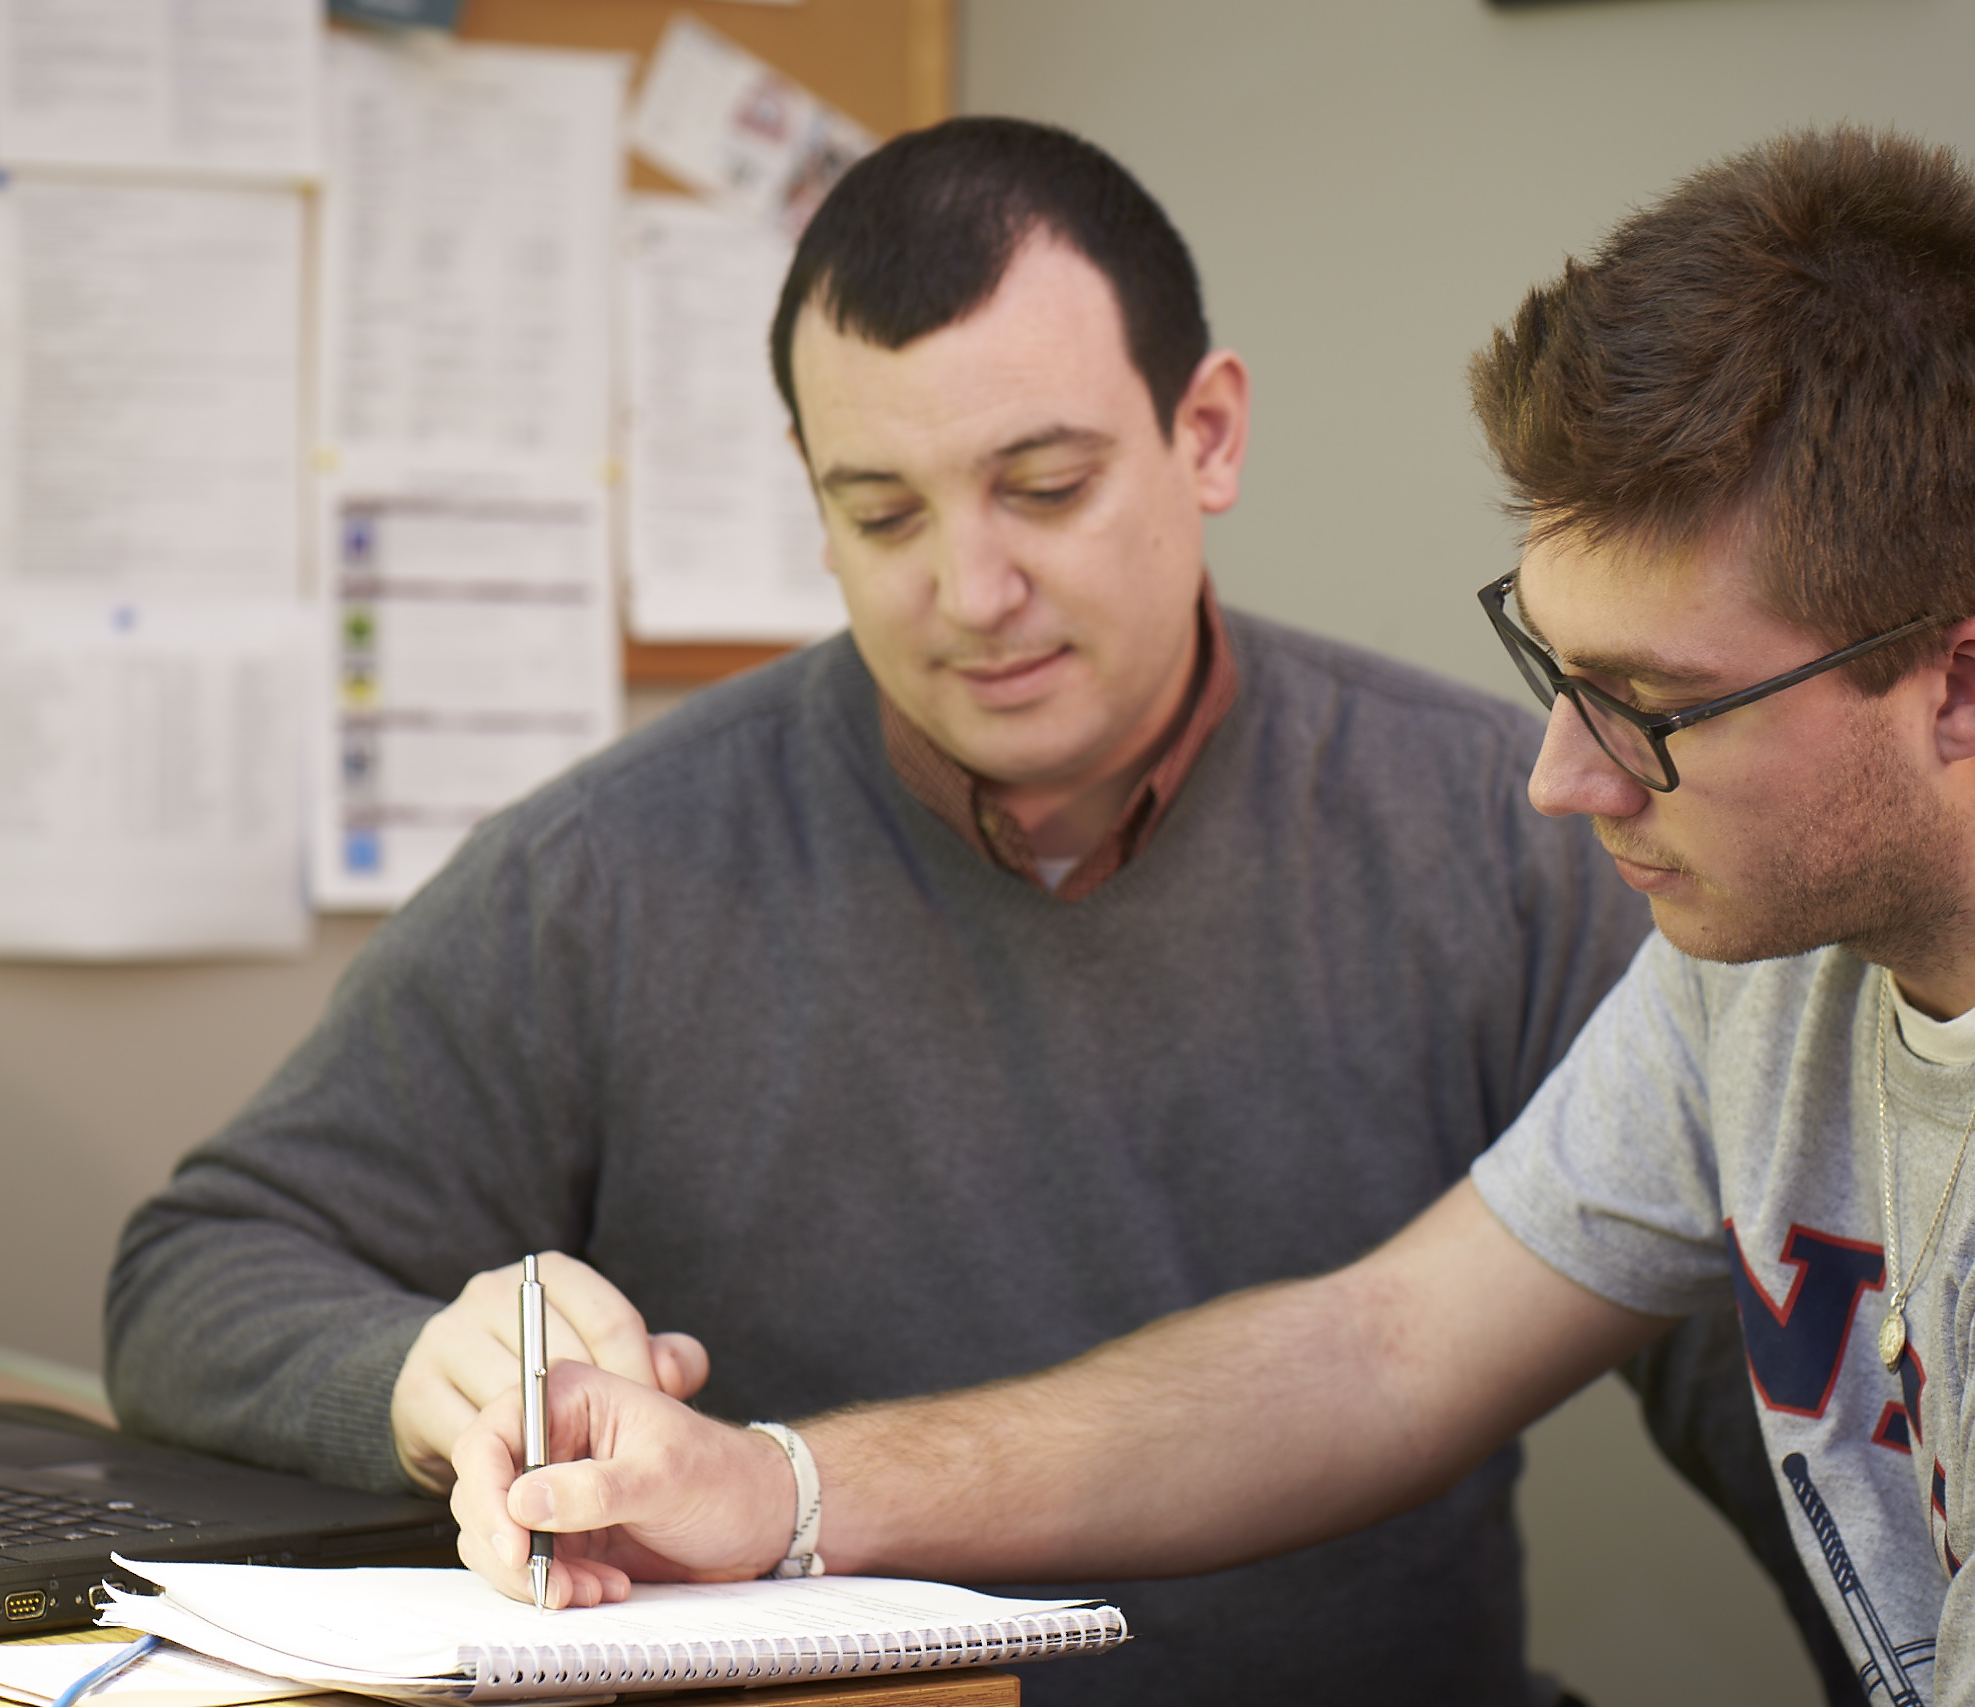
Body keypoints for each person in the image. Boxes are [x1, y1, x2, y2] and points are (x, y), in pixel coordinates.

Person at [446, 127, 1975, 1704]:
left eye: (1646, 712)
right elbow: (1385, 1348)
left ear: (1960, 687)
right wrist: (780, 1488)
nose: (1558, 779)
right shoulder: (1797, 938)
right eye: (1547, 668)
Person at [105, 119, 1667, 1707]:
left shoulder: (1517, 827)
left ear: (1207, 433)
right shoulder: (607, 873)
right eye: (885, 514)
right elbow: (198, 1272)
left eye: (1042, 487)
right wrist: (416, 1380)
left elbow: (1767, 1333)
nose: (971, 592)